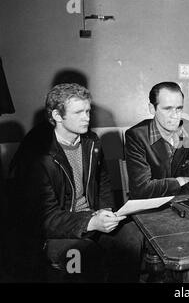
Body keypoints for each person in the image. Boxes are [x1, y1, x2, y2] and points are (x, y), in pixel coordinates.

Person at [8, 83, 143, 282]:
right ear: (56, 116)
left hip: (91, 217)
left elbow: (103, 181)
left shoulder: (92, 141)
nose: (86, 117)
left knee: (132, 236)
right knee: (81, 256)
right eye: (78, 112)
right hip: (56, 232)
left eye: (88, 111)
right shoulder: (35, 154)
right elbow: (43, 218)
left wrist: (105, 211)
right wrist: (89, 222)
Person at [125, 81, 189, 199]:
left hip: (185, 205)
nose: (175, 115)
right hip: (149, 210)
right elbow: (141, 190)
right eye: (167, 109)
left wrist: (163, 189)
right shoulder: (136, 136)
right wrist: (179, 181)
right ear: (152, 108)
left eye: (179, 109)